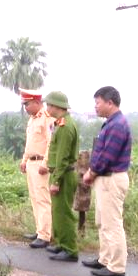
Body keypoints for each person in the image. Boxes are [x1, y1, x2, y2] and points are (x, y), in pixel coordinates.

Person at [82, 86, 131, 276]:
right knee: (103, 222)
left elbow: (107, 157)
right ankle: (105, 259)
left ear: (110, 102)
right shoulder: (111, 123)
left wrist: (91, 172)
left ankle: (117, 267)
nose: (96, 106)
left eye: (98, 102)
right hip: (105, 178)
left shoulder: (117, 125)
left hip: (111, 178)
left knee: (112, 224)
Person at [43, 91, 80, 262]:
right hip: (59, 173)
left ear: (57, 106)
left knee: (64, 212)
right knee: (57, 211)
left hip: (64, 175)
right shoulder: (60, 123)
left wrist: (56, 180)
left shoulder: (65, 126)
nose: (47, 107)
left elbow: (63, 157)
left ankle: (70, 249)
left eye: (49, 104)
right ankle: (61, 243)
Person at [18, 88, 55, 249]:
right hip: (31, 162)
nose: (25, 107)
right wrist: (24, 159)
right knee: (34, 198)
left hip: (40, 164)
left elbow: (50, 143)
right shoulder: (33, 119)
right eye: (24, 104)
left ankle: (45, 235)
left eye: (27, 104)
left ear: (37, 102)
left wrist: (45, 163)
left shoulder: (47, 119)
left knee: (42, 199)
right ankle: (39, 230)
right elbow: (30, 143)